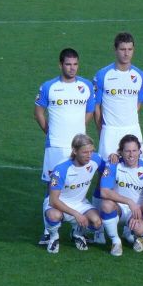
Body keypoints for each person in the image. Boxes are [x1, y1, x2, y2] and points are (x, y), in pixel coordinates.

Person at [34, 48, 95, 195]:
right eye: (68, 64)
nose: (72, 68)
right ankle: (51, 216)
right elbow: (38, 113)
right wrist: (49, 131)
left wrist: (79, 128)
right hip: (55, 145)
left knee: (77, 184)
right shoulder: (49, 87)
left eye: (75, 64)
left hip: (78, 146)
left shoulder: (86, 86)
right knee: (53, 187)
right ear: (60, 65)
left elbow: (90, 112)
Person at [43, 134, 104, 254]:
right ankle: (54, 237)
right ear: (75, 151)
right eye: (85, 152)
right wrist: (76, 214)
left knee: (97, 222)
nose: (89, 156)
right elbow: (53, 200)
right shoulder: (61, 169)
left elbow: (107, 167)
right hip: (57, 204)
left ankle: (77, 233)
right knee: (54, 216)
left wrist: (114, 157)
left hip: (80, 203)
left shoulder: (95, 159)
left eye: (91, 151)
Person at [97, 134, 143, 256]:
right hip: (119, 208)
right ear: (120, 152)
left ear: (140, 151)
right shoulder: (113, 164)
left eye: (134, 151)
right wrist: (129, 202)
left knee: (140, 229)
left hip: (138, 210)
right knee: (106, 205)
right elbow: (104, 191)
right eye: (127, 151)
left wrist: (140, 213)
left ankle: (133, 234)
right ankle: (116, 241)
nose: (131, 155)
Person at [93, 32, 143, 159]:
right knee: (106, 170)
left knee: (136, 169)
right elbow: (97, 108)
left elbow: (138, 104)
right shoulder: (102, 75)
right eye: (122, 49)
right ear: (115, 50)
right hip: (110, 130)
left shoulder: (141, 77)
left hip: (132, 128)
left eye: (130, 49)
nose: (126, 53)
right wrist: (102, 130)